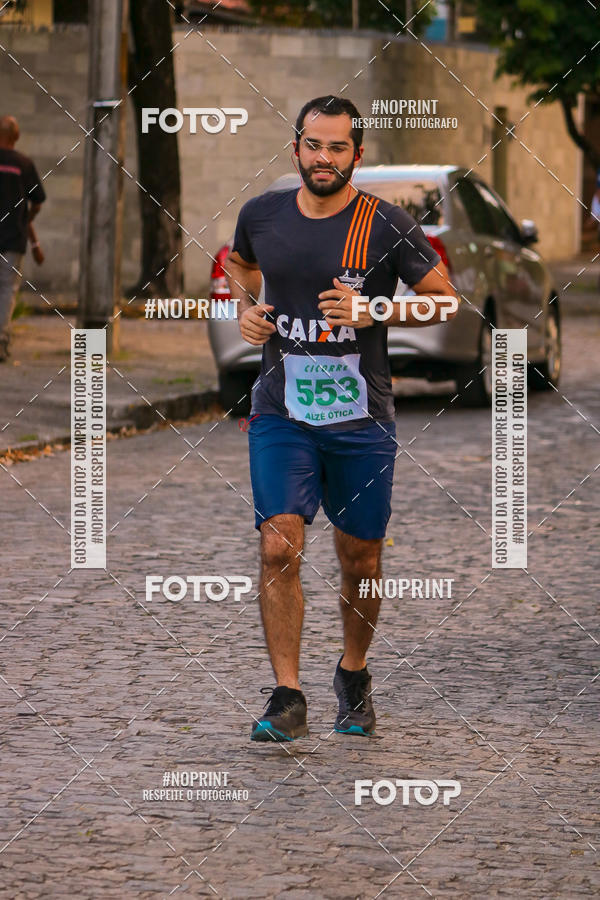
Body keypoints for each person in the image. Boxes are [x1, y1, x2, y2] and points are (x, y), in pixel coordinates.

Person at [226, 95, 458, 742]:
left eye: (337, 147)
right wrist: (247, 310)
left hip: (360, 419)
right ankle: (286, 695)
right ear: (295, 148)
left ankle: (353, 674)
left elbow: (446, 302)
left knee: (360, 557)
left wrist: (374, 312)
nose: (322, 158)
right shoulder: (262, 214)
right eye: (312, 144)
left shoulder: (385, 223)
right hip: (282, 412)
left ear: (357, 155)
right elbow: (241, 267)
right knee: (278, 546)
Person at [0, 115, 46, 360]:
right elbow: (36, 202)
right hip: (12, 239)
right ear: (16, 137)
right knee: (6, 291)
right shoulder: (23, 165)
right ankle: (1, 344)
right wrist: (28, 224)